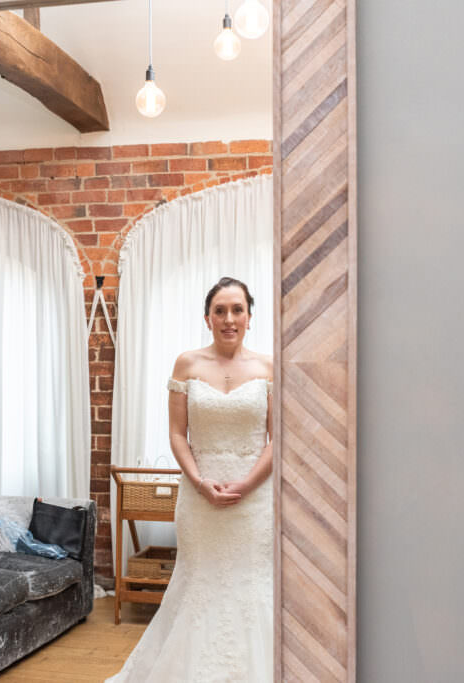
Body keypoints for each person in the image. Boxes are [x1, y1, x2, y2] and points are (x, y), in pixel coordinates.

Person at [106, 277, 274, 683]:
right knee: (200, 582)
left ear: (250, 317)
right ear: (207, 317)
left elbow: (279, 437)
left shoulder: (270, 367)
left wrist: (247, 484)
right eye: (220, 310)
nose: (229, 318)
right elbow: (178, 434)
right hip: (200, 495)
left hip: (254, 501)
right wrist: (200, 482)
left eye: (237, 310)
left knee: (251, 585)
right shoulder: (188, 363)